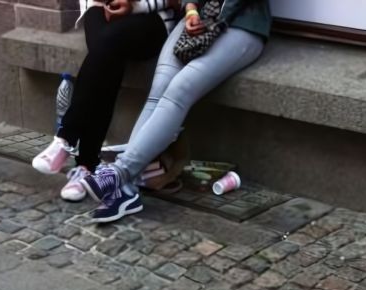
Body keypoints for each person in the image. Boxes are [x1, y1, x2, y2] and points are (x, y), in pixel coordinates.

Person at [81, 0, 271, 222]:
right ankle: (126, 190)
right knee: (158, 90)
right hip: (197, 17)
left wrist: (212, 19)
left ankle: (120, 172)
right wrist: (190, 10)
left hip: (242, 25)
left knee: (179, 90)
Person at [31, 0, 179, 202]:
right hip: (100, 9)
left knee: (107, 45)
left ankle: (67, 139)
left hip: (151, 18)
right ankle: (85, 167)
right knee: (106, 56)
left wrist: (134, 6)